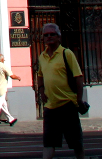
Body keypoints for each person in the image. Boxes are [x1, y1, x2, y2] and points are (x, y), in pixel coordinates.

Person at [36, 22, 86, 159]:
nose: (49, 37)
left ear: (59, 37)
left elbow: (78, 77)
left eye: (52, 34)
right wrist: (41, 91)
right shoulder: (42, 56)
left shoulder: (66, 53)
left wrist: (78, 99)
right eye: (46, 35)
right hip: (50, 107)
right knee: (48, 143)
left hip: (68, 105)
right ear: (43, 38)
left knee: (76, 143)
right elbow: (40, 76)